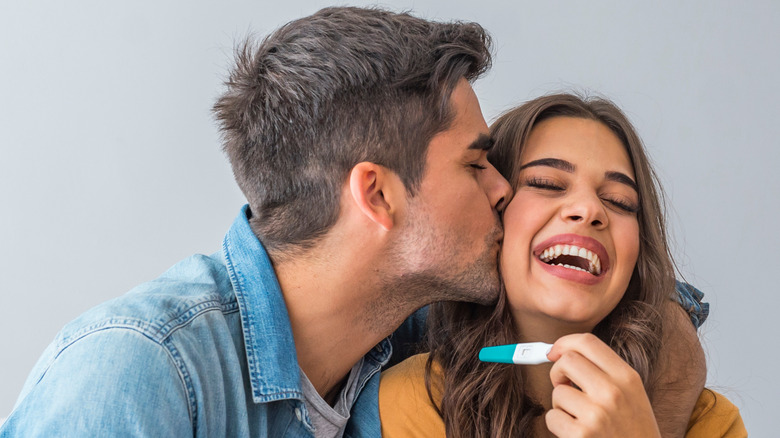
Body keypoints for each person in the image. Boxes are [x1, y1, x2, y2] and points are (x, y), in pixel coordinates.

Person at [0, 8, 706, 437]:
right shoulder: (139, 373)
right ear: (379, 196)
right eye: (475, 165)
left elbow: (653, 311)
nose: (504, 191)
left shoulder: (416, 331)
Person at [379, 94, 745, 437]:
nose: (589, 210)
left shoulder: (710, 421)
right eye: (547, 183)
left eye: (620, 202)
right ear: (490, 209)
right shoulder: (416, 397)